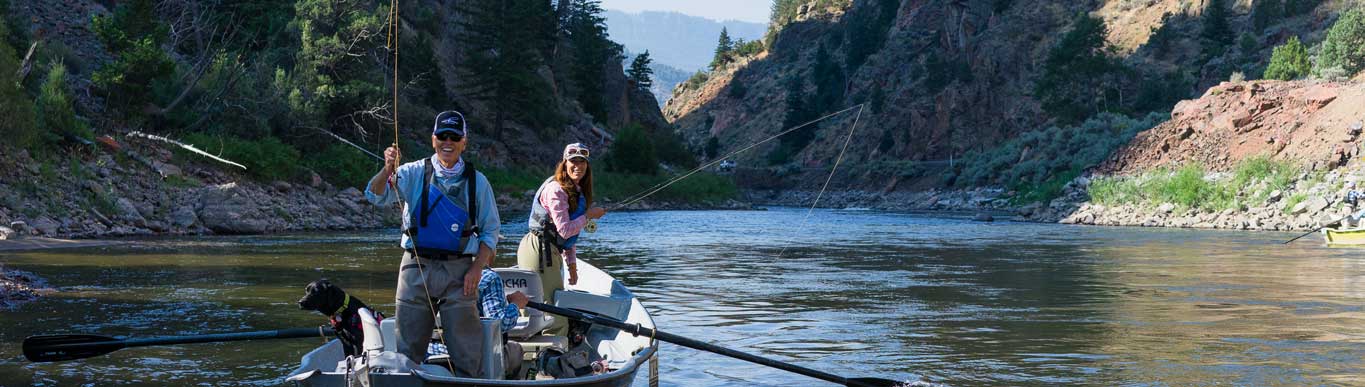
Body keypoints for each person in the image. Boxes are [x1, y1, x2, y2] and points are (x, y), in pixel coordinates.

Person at [365, 110, 501, 377]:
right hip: (416, 269)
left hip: (460, 272)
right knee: (407, 353)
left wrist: (477, 269)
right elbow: (375, 196)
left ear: (464, 142)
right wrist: (387, 168)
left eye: (454, 136)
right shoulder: (412, 172)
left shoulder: (479, 182)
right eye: (442, 136)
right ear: (433, 139)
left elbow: (490, 232)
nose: (447, 142)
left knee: (467, 354)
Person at [517, 143, 605, 335]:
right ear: (564, 163)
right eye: (573, 161)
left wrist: (572, 267)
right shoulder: (556, 190)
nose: (578, 166)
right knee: (552, 311)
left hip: (549, 249)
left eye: (582, 162)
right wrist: (589, 215)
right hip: (538, 249)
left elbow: (568, 237)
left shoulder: (576, 190)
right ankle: (552, 355)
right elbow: (565, 230)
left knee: (549, 304)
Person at [478, 268, 529, 379]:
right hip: (480, 355)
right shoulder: (490, 278)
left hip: (452, 346)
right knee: (516, 349)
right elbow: (498, 324)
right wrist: (515, 304)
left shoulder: (447, 273)